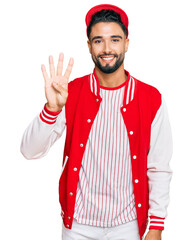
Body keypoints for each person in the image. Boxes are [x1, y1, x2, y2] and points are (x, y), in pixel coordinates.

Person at [20, 4, 173, 240]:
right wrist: (52, 108)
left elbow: (158, 167)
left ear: (126, 43)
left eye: (115, 39)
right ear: (89, 45)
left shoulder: (151, 99)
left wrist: (156, 226)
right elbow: (29, 151)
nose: (107, 48)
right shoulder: (70, 93)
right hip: (78, 226)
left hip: (128, 226)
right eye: (98, 40)